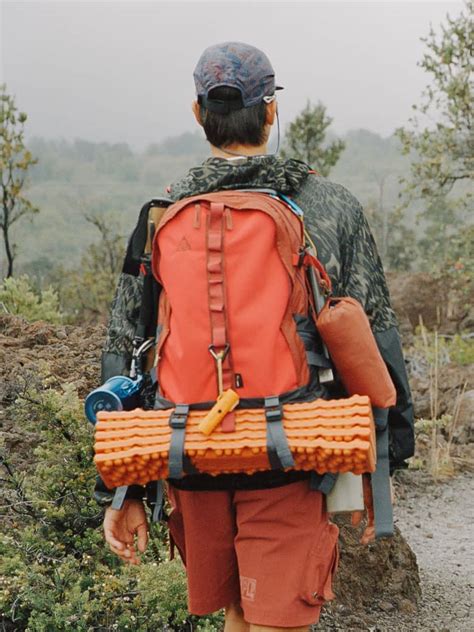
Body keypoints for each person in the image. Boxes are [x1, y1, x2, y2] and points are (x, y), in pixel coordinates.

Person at [97, 42, 414, 631]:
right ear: (271, 112)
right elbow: (376, 337)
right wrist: (384, 462)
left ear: (198, 115)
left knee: (239, 615)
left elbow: (126, 351)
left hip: (188, 450)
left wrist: (121, 489)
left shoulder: (163, 214)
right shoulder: (329, 205)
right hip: (292, 448)